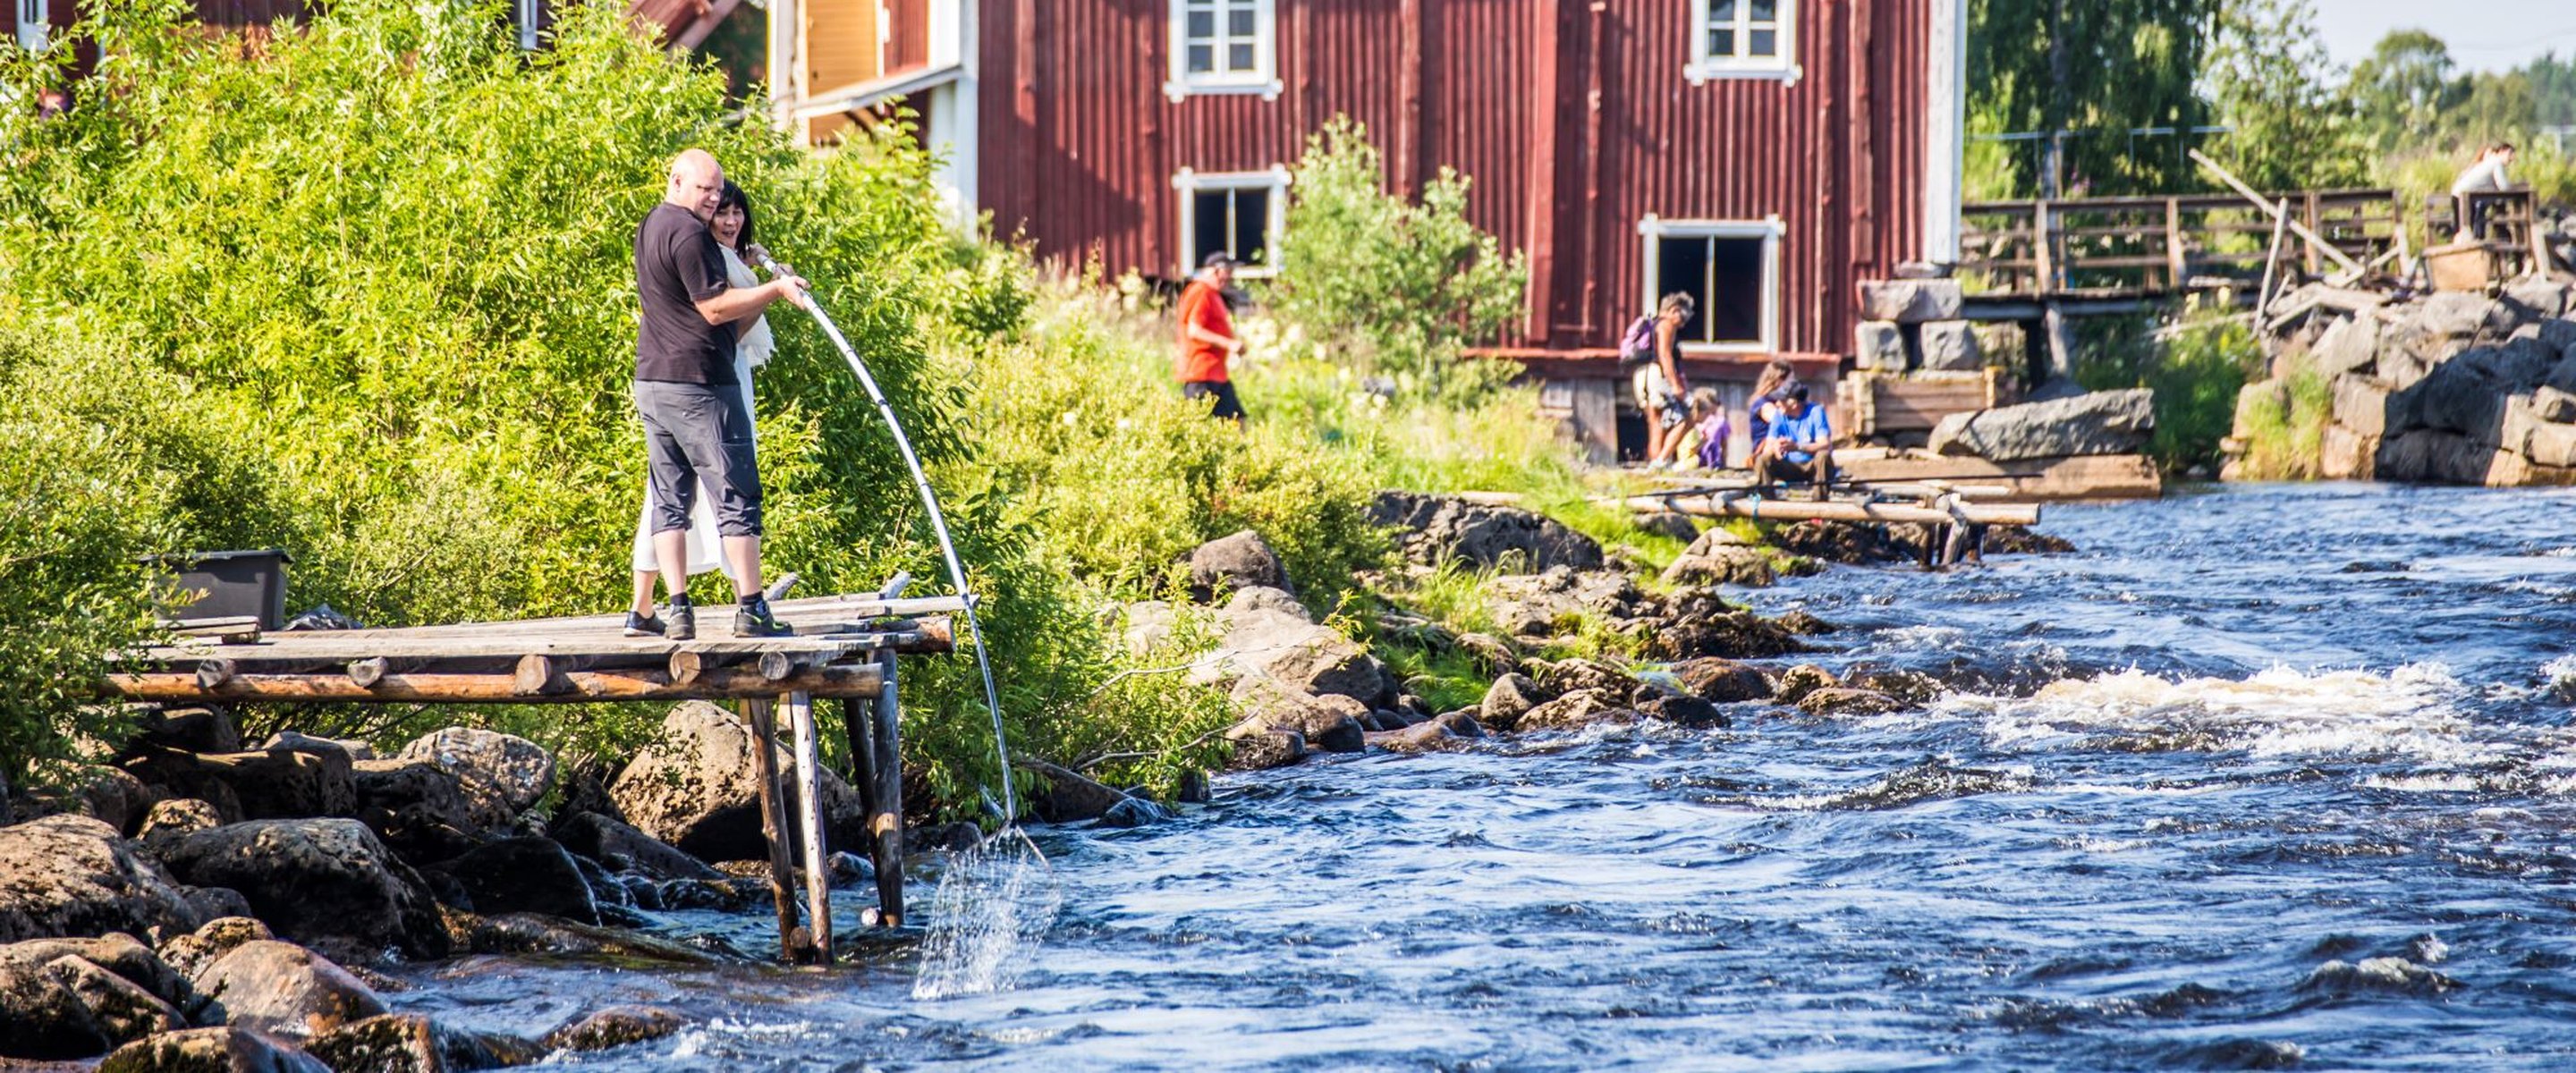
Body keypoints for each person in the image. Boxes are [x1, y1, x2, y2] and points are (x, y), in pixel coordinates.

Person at [628, 148, 809, 641]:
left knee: (670, 496)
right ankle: (751, 609)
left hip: (654, 380)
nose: (713, 199)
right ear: (678, 181)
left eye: (718, 190)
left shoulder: (652, 224)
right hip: (699, 384)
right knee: (736, 493)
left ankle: (675, 609)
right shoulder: (688, 232)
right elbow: (714, 308)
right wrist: (775, 290)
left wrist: (752, 277)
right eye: (706, 189)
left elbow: (716, 319)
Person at [1176, 252, 1246, 424]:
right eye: (1227, 272)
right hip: (1201, 372)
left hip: (1217, 373)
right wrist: (1229, 344)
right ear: (1215, 271)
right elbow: (1195, 330)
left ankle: (1235, 451)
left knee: (1237, 422)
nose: (1230, 277)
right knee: (1194, 425)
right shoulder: (1201, 291)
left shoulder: (1214, 294)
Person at [1629, 292, 1695, 469]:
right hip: (1657, 375)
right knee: (1686, 418)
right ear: (1674, 310)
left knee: (1655, 423)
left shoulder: (1653, 324)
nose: (1684, 322)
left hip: (1641, 374)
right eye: (1684, 315)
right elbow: (1665, 354)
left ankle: (1655, 465)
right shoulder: (1666, 325)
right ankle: (1661, 461)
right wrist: (1676, 385)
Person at [1751, 384, 1835, 501]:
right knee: (1763, 459)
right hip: (1788, 465)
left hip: (1811, 465)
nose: (1777, 404)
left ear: (1794, 404)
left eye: (1781, 400)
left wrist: (1797, 447)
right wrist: (1776, 447)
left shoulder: (1816, 411)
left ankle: (1819, 504)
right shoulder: (1779, 415)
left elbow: (1825, 444)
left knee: (1823, 455)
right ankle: (1768, 504)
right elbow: (1768, 446)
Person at [2451, 142, 2516, 242]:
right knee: (2464, 229)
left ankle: (2465, 248)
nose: (2512, 158)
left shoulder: (2489, 162)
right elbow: (2503, 186)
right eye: (2510, 153)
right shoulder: (2496, 162)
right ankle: (2463, 251)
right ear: (2502, 151)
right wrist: (2515, 189)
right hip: (2463, 196)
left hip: (2460, 194)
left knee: (2464, 228)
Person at [1744, 355, 1798, 449]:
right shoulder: (1762, 403)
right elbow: (1780, 422)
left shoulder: (1781, 401)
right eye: (1790, 380)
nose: (1793, 384)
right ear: (1779, 380)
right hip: (1767, 455)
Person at [1683, 386, 1729, 470]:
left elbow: (1724, 444)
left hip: (1705, 460)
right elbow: (1724, 445)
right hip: (1694, 461)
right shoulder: (1693, 422)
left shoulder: (1719, 421)